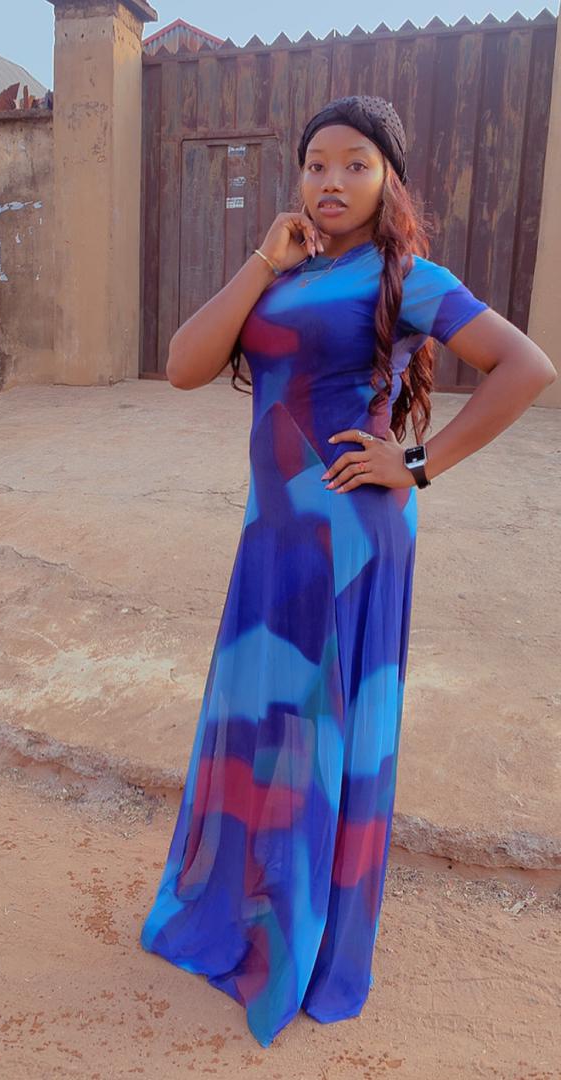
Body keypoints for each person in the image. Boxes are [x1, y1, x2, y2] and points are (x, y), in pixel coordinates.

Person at [140, 95, 556, 1048]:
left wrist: (417, 464)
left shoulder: (404, 278)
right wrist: (263, 260)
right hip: (273, 537)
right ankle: (247, 912)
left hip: (350, 537)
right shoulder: (288, 269)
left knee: (318, 729)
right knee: (265, 723)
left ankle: (301, 939)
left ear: (388, 179)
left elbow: (525, 366)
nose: (331, 181)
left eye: (356, 164)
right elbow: (183, 365)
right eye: (317, 163)